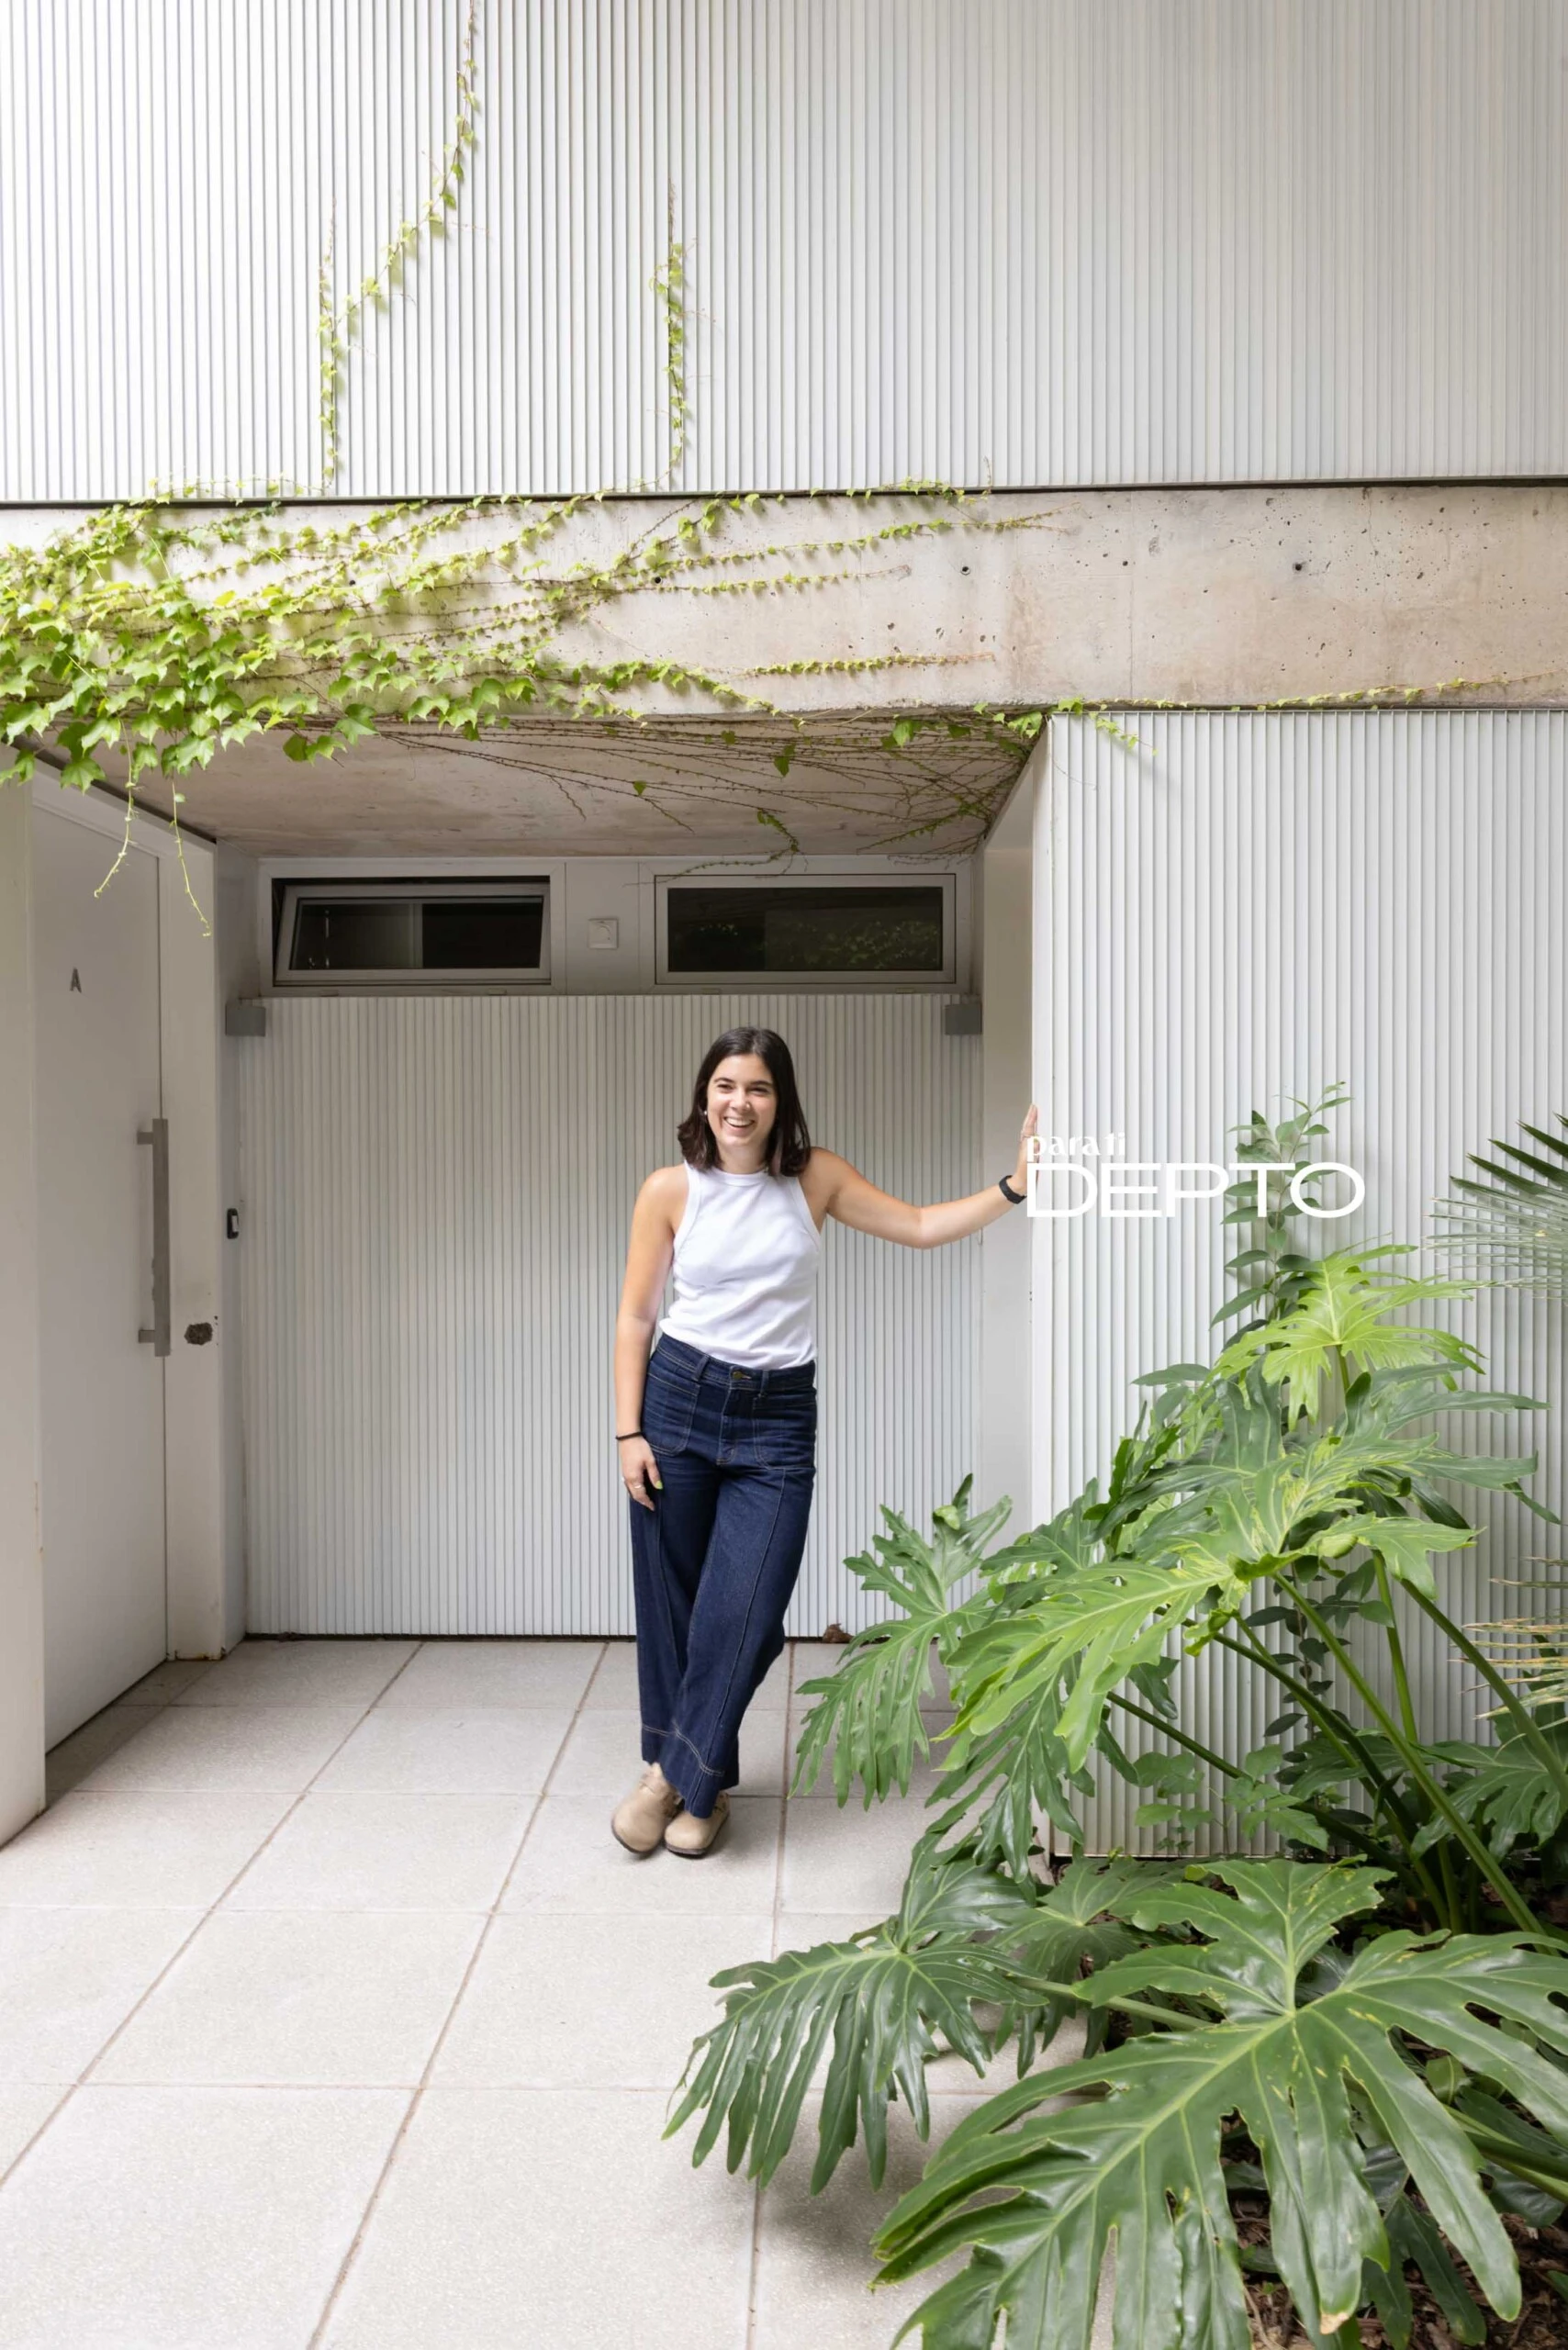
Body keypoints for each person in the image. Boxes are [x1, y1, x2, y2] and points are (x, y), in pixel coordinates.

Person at [610, 1024, 1038, 1857]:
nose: (741, 1103)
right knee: (675, 1608)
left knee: (746, 1610)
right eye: (727, 1085)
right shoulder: (670, 1189)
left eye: (759, 1089)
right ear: (705, 1094)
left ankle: (666, 1775)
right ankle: (705, 1793)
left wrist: (1013, 1188)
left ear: (781, 1102)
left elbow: (916, 1225)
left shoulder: (816, 1179)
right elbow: (635, 1317)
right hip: (677, 1404)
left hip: (776, 1421)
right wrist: (628, 1430)